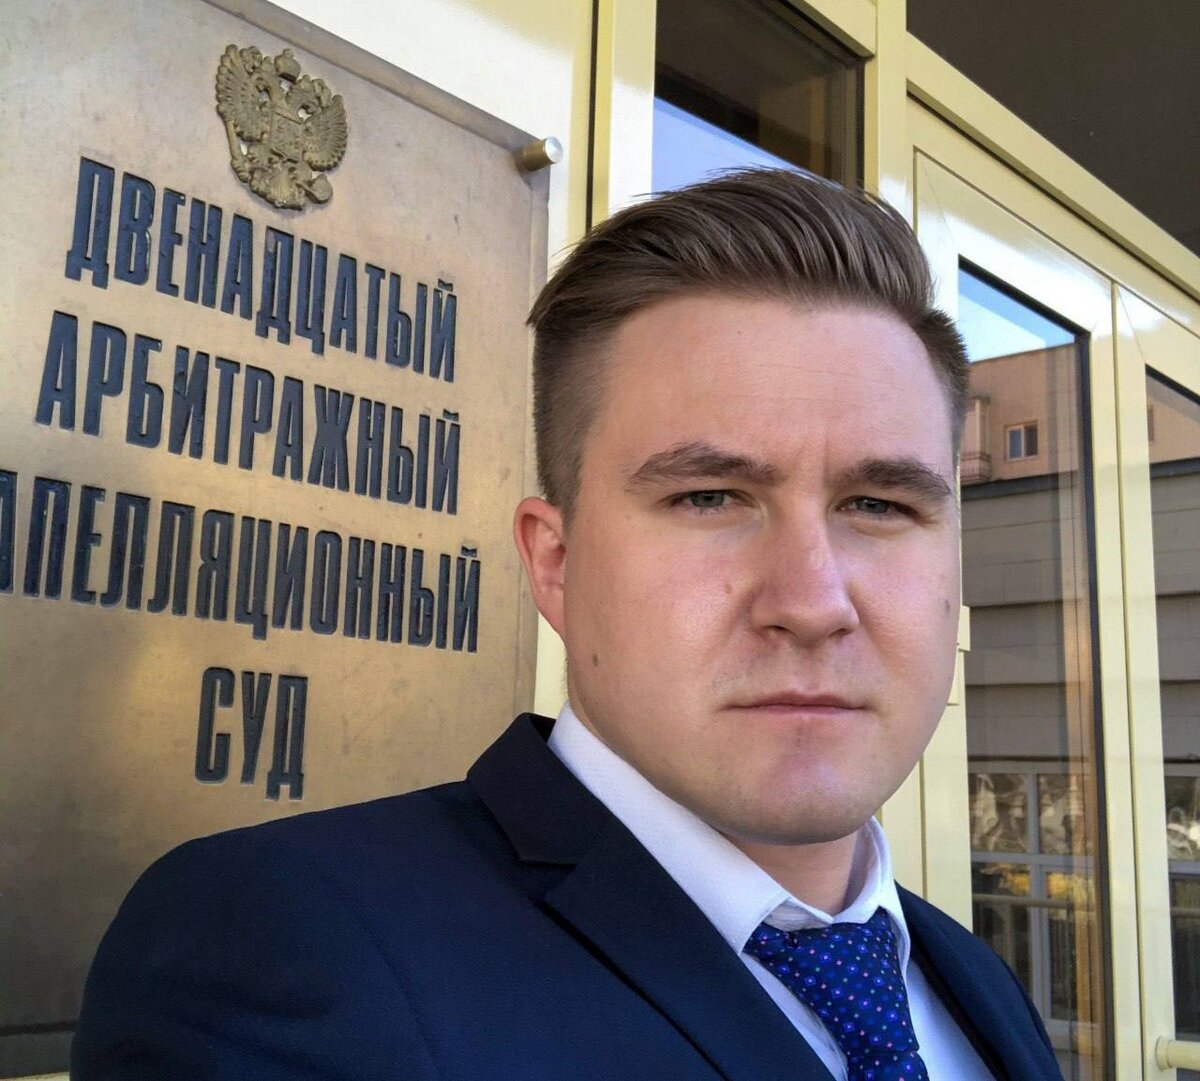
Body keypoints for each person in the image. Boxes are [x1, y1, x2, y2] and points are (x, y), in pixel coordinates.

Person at [73, 169, 1062, 1080]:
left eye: (880, 505)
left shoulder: (973, 983)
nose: (811, 602)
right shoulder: (288, 949)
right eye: (709, 497)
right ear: (554, 563)